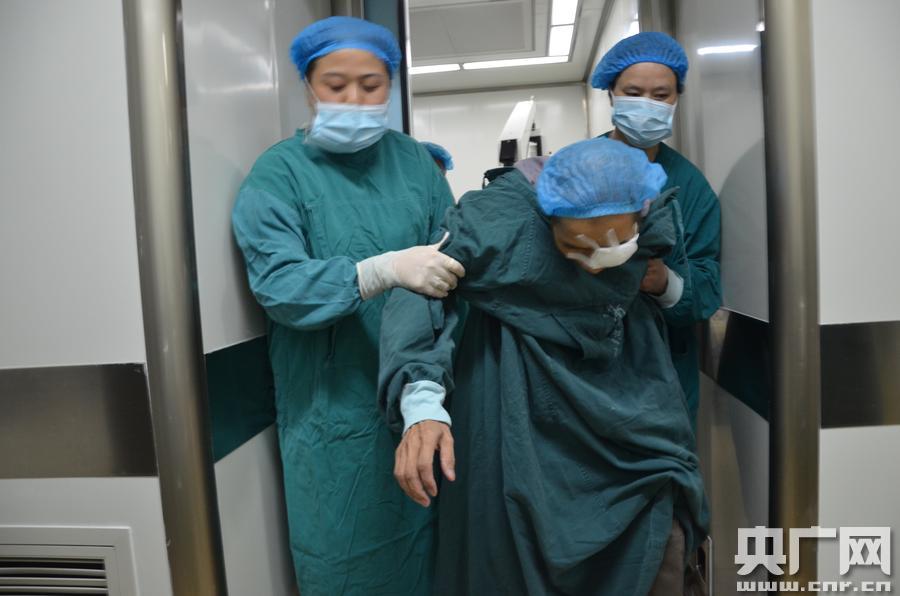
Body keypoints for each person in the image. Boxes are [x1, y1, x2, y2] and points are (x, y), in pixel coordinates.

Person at [378, 137, 708, 595]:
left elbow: (686, 289)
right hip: (521, 403)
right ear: (546, 219)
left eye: (613, 249)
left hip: (629, 415)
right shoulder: (495, 227)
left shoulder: (651, 217)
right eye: (573, 248)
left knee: (657, 531)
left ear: (641, 213)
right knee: (511, 550)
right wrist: (422, 401)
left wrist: (666, 284)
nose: (593, 267)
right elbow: (420, 292)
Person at [231, 16, 464, 595]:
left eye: (371, 85)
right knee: (342, 561)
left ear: (391, 86)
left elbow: (451, 276)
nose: (354, 99)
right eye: (335, 85)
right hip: (329, 416)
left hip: (420, 401)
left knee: (428, 552)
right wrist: (377, 271)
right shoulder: (279, 173)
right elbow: (279, 285)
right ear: (308, 87)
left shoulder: (416, 165)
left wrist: (424, 393)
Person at [592, 31, 722, 427]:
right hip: (584, 368)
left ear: (677, 98)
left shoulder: (690, 187)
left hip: (663, 378)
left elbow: (707, 284)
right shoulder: (576, 168)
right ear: (611, 93)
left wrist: (663, 281)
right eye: (633, 93)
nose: (647, 104)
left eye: (661, 95)